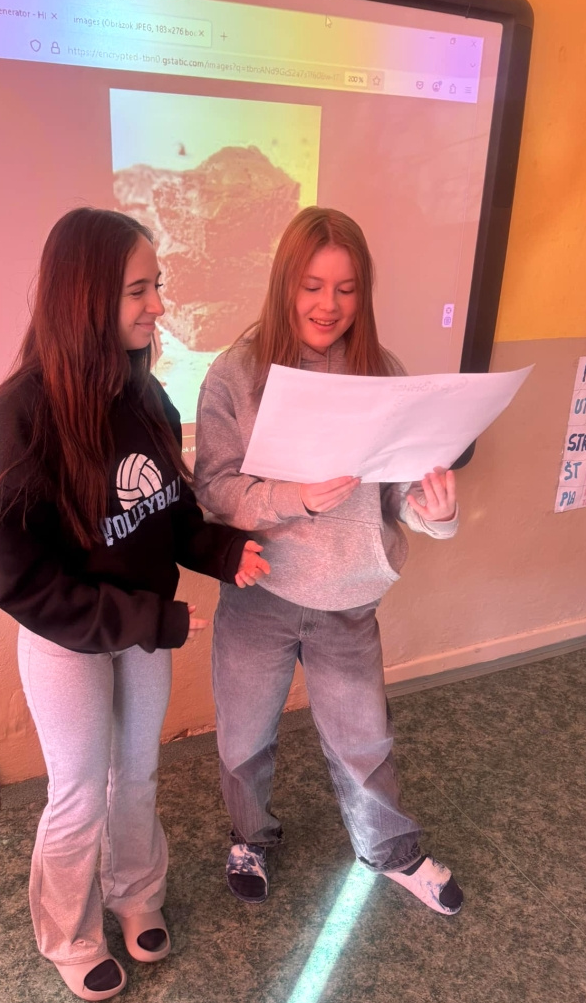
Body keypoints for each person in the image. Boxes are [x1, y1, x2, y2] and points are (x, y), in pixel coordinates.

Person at [0, 208, 269, 1002]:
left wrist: (223, 552)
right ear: (86, 297)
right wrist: (148, 620)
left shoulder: (146, 397)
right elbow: (16, 582)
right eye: (139, 290)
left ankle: (135, 892)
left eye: (156, 285)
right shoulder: (18, 417)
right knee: (79, 791)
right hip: (66, 639)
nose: (158, 306)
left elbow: (170, 515)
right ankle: (69, 936)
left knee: (136, 775)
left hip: (141, 631)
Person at [194, 206, 463, 916]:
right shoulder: (236, 373)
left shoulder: (383, 373)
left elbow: (398, 493)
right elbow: (214, 489)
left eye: (346, 289)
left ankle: (390, 850)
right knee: (243, 738)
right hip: (260, 593)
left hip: (349, 597)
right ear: (285, 283)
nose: (328, 305)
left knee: (363, 740)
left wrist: (433, 512)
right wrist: (296, 499)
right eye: (312, 286)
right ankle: (250, 836)